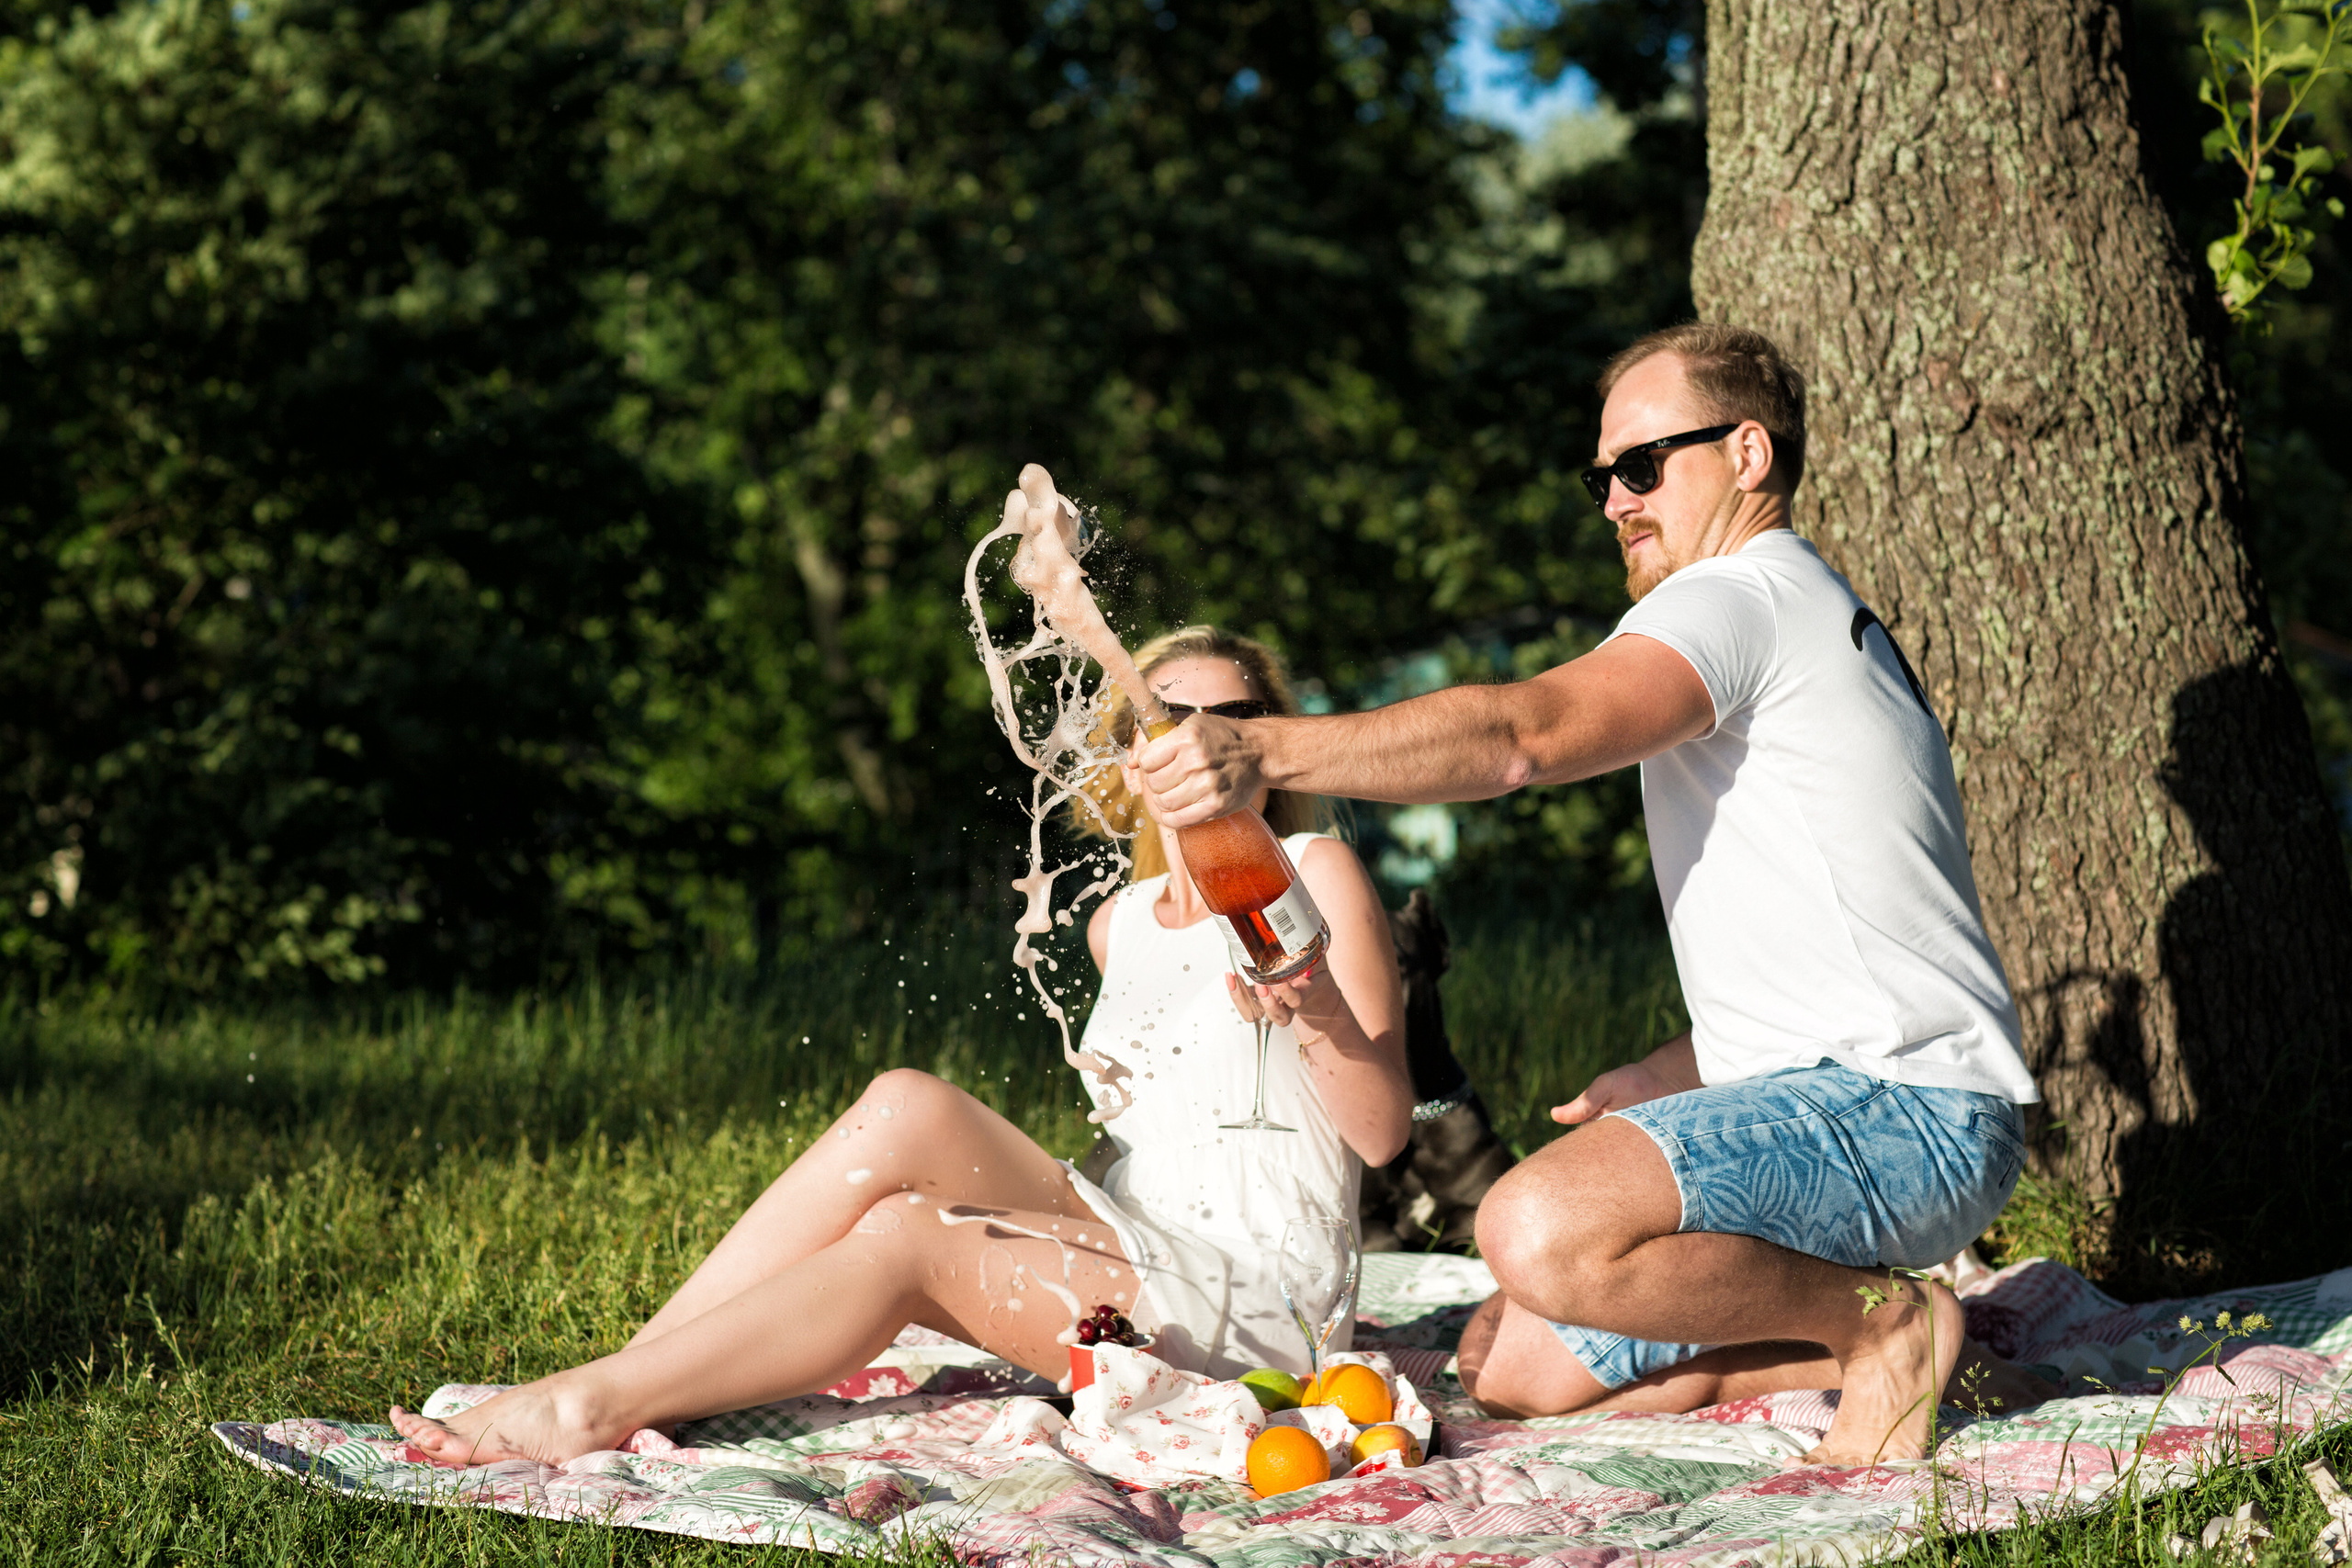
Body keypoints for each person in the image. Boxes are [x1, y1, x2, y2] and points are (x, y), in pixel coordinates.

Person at [1136, 323, 2051, 1466]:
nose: (1615, 500)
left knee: (1534, 1225)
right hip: (1854, 1100)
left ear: (1749, 454)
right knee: (1509, 1367)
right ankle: (1878, 1349)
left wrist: (1259, 753)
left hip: (1908, 1117)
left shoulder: (1738, 597)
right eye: (1601, 476)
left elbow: (1523, 737)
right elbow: (1854, 943)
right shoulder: (1798, 614)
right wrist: (1676, 1074)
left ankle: (1884, 1328)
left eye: (1642, 466)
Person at [389, 626, 1412, 1467]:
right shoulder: (1122, 922)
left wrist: (1312, 1004)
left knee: (912, 1234)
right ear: (1132, 761)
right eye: (1165, 719)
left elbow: (1378, 1137)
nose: (1197, 740)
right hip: (1132, 1238)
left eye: (1231, 720)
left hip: (1252, 1310)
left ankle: (582, 1412)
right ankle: (625, 1378)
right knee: (904, 1102)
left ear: (1267, 744)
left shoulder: (1316, 873)